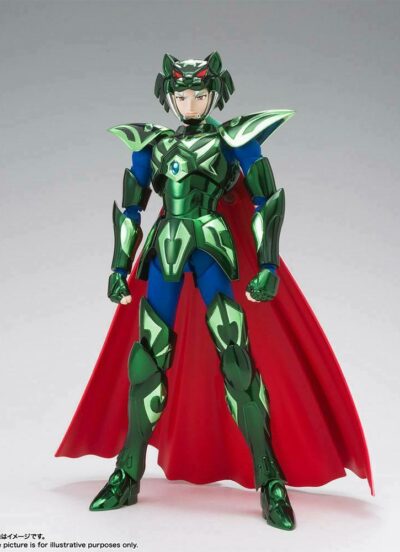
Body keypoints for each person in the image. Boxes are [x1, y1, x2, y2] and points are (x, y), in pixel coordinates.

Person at [56, 52, 373, 531]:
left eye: (199, 94)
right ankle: (127, 471)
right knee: (146, 360)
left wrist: (268, 265)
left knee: (236, 359)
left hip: (212, 248)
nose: (190, 103)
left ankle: (269, 477)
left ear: (215, 92)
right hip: (166, 249)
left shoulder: (233, 138)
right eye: (181, 95)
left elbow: (267, 200)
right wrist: (119, 266)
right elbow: (132, 207)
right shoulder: (151, 143)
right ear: (168, 95)